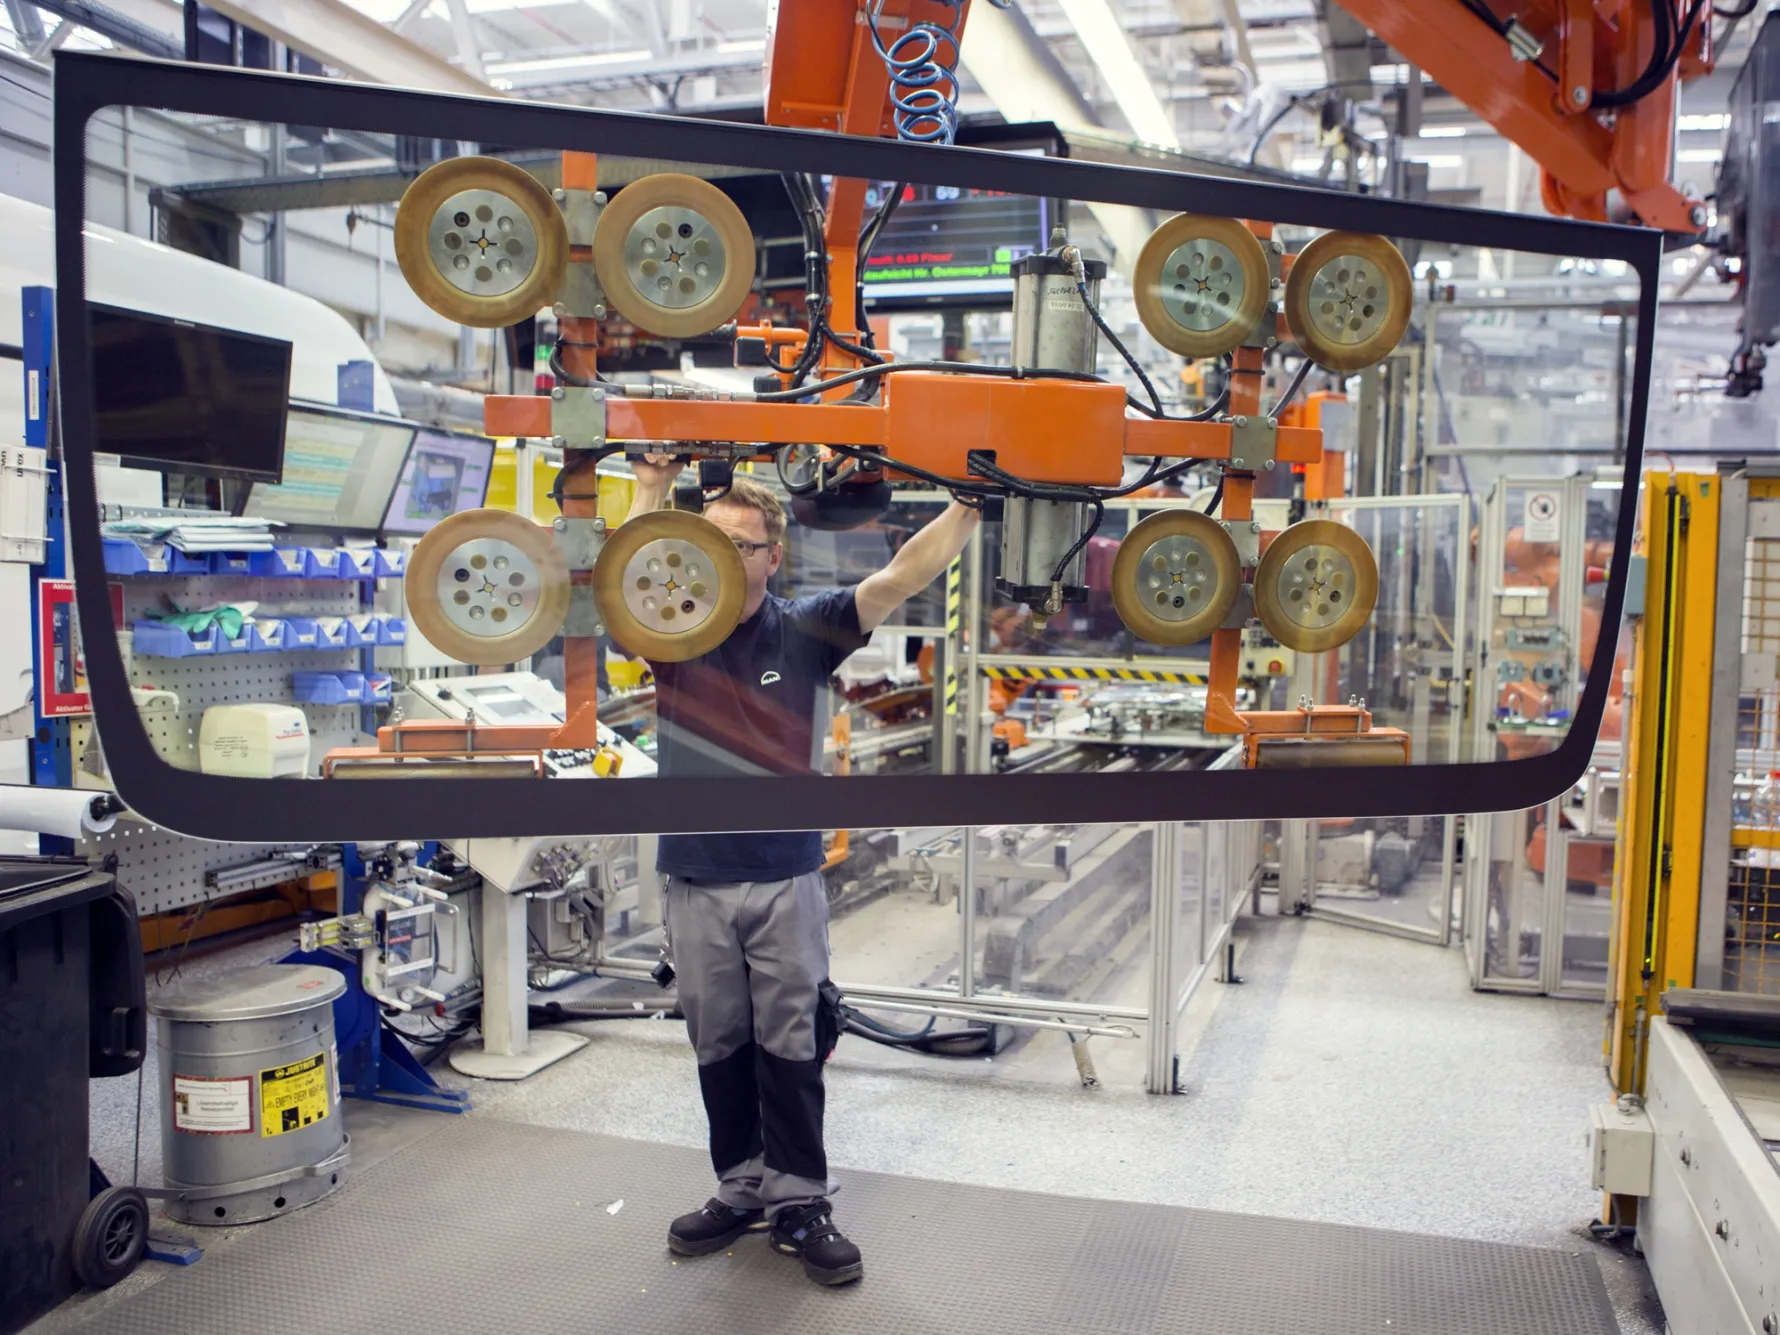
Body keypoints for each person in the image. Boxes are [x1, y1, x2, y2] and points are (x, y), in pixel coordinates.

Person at [625, 455, 979, 1287]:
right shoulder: (670, 632)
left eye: (741, 545)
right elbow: (626, 570)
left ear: (772, 555)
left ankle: (799, 1199)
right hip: (695, 875)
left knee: (791, 1040)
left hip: (784, 874)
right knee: (718, 1041)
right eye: (709, 539)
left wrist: (968, 506)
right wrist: (647, 485)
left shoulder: (806, 628)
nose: (723, 556)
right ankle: (738, 1185)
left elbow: (898, 577)